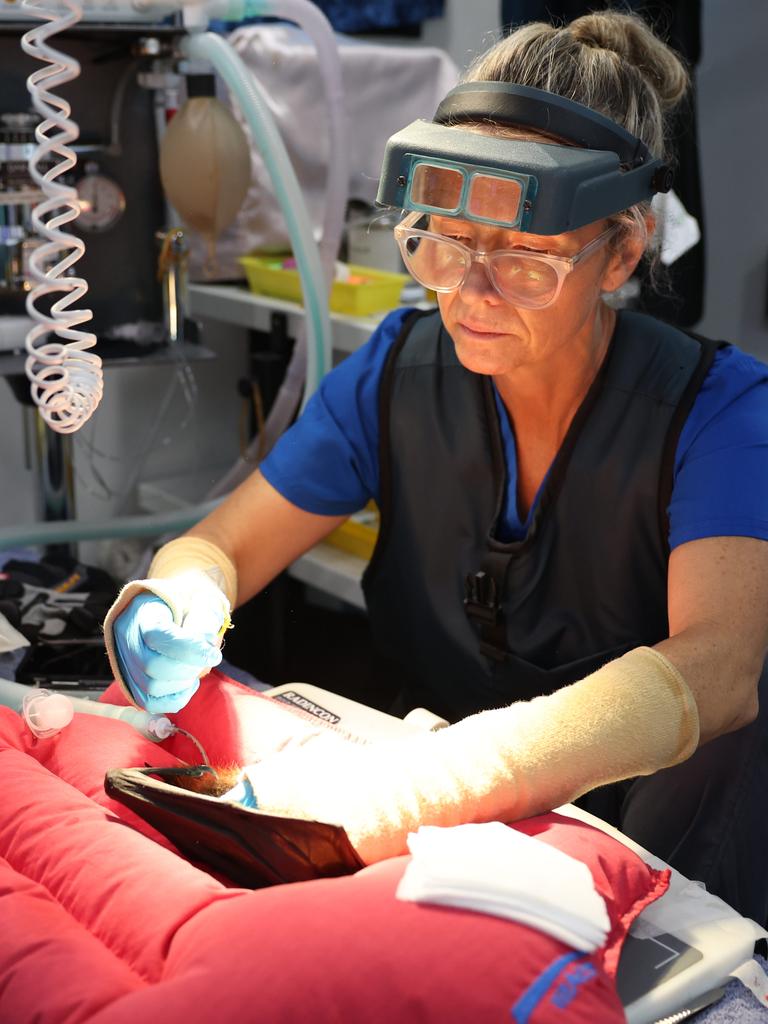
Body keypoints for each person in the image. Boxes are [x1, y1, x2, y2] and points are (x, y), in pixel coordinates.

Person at [104, 12, 768, 922]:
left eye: (527, 262)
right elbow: (224, 544)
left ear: (620, 252)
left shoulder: (719, 412)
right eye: (444, 242)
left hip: (642, 856)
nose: (470, 292)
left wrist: (421, 788)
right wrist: (183, 596)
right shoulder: (395, 374)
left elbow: (720, 672)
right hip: (451, 842)